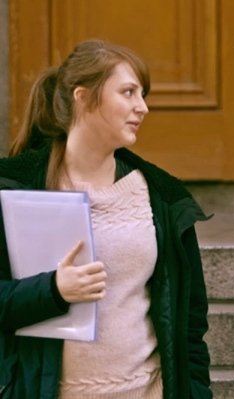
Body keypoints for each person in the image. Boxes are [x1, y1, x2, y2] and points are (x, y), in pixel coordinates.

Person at [0, 40, 212, 398]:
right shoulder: (16, 189)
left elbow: (190, 325)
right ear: (83, 97)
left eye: (142, 94)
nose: (142, 107)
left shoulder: (164, 198)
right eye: (128, 92)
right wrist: (53, 290)